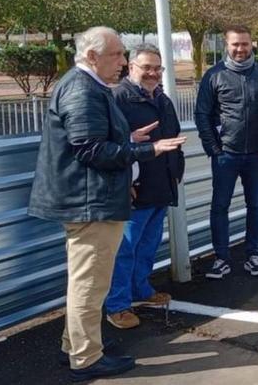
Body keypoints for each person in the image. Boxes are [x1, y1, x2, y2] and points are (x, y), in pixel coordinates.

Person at [28, 27, 185, 382]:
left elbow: (87, 140)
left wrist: (129, 138)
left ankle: (77, 346)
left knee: (88, 281)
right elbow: (90, 150)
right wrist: (148, 149)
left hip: (92, 200)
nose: (123, 61)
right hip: (90, 203)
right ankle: (86, 358)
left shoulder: (89, 87)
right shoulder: (82, 90)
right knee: (90, 284)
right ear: (92, 56)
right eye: (117, 55)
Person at [105, 44, 185, 329]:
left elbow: (173, 138)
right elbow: (107, 145)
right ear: (131, 68)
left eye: (157, 68)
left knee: (148, 245)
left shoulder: (162, 99)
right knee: (124, 250)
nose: (152, 73)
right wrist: (124, 182)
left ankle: (141, 289)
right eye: (146, 67)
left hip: (161, 186)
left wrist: (177, 171)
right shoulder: (117, 98)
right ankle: (117, 305)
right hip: (134, 190)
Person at [195, 25, 258, 280]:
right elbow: (202, 115)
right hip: (226, 155)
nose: (240, 49)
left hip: (257, 154)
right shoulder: (214, 75)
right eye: (235, 44)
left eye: (245, 44)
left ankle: (253, 255)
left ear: (252, 44)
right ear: (226, 46)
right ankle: (221, 258)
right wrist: (214, 148)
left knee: (256, 205)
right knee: (219, 206)